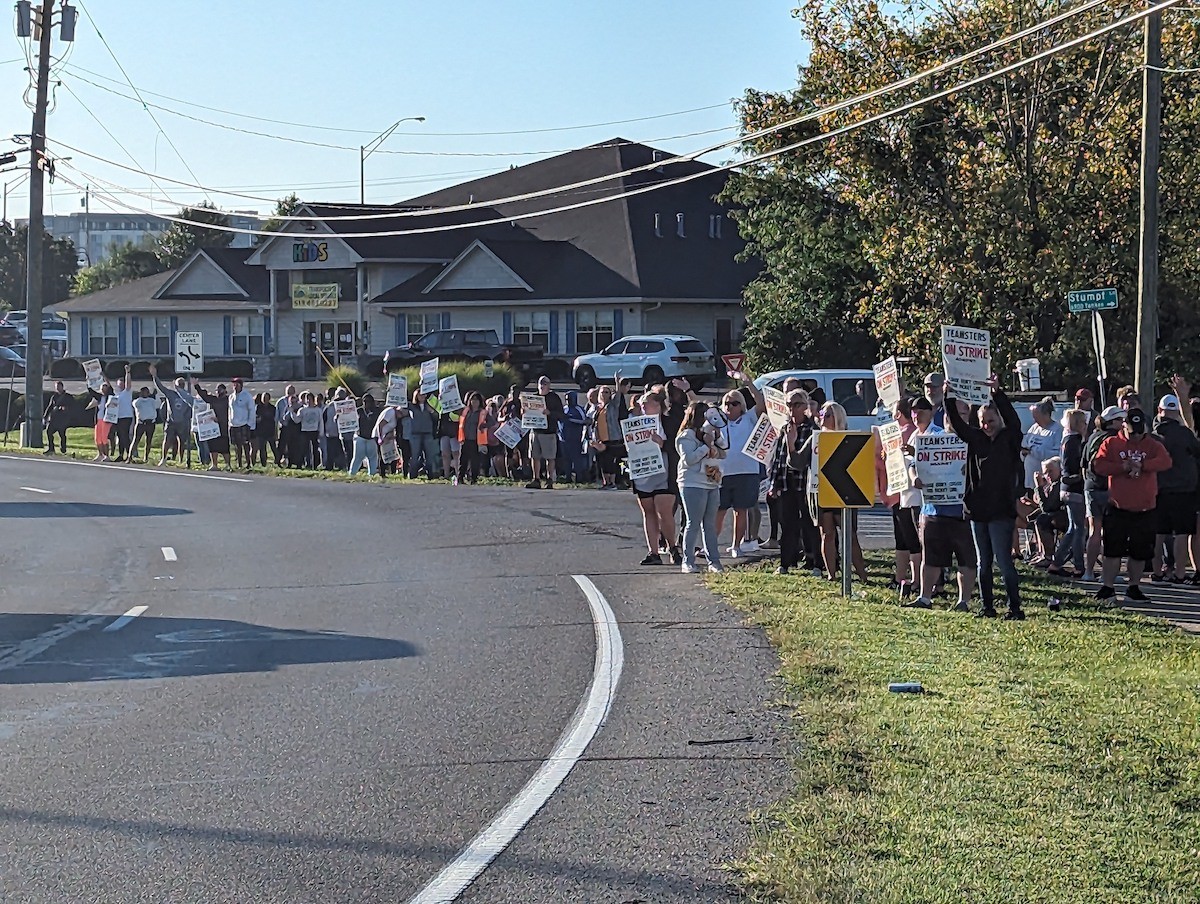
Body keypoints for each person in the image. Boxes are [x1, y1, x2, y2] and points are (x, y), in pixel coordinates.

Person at [945, 375, 1025, 619]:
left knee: (1004, 561)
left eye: (990, 420)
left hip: (1001, 511)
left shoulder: (1009, 438)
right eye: (982, 421)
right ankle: (987, 606)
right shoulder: (976, 438)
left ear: (998, 419)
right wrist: (949, 397)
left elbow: (1013, 420)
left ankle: (1014, 608)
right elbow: (958, 425)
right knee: (983, 563)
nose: (987, 425)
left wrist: (998, 394)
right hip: (978, 510)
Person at [1092, 408, 1173, 602]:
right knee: (1112, 549)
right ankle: (1108, 587)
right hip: (1118, 506)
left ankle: (1134, 587)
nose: (1136, 435)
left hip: (1145, 508)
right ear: (1124, 426)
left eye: (1139, 431)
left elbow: (1166, 462)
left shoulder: (1153, 445)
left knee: (1140, 552)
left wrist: (1143, 466)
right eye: (1131, 431)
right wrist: (1123, 467)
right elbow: (1099, 466)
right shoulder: (1111, 443)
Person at [907, 396, 978, 611]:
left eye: (963, 414)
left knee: (965, 559)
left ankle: (963, 601)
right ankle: (925, 598)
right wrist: (914, 477)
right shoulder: (932, 437)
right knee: (931, 557)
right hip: (933, 509)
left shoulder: (973, 441)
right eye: (952, 414)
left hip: (962, 511)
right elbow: (913, 464)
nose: (956, 418)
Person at [801, 402, 868, 581]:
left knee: (850, 535)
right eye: (822, 413)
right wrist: (791, 443)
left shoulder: (848, 437)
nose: (823, 417)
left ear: (838, 417)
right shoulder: (816, 438)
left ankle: (862, 575)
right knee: (827, 534)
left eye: (828, 414)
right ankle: (832, 574)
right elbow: (797, 461)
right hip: (821, 490)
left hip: (844, 489)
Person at [714, 370, 766, 558]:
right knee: (719, 510)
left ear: (742, 406)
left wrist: (748, 383)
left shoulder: (749, 418)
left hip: (746, 471)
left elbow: (760, 403)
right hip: (722, 473)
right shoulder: (718, 421)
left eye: (735, 403)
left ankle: (737, 545)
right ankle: (711, 545)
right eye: (727, 403)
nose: (730, 407)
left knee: (741, 510)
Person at [1150, 393, 1200, 583]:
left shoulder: (1153, 436)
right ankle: (1180, 573)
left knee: (1159, 533)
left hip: (1158, 489)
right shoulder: (1184, 433)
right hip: (1184, 489)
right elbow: (1197, 451)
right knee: (1181, 533)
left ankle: (1157, 572)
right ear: (1176, 411)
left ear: (1159, 411)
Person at [767, 389, 814, 574]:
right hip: (787, 483)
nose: (792, 409)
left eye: (796, 404)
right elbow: (778, 457)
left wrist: (793, 442)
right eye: (789, 405)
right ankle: (785, 562)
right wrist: (774, 483)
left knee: (809, 524)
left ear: (805, 406)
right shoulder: (784, 429)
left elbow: (806, 460)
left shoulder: (812, 428)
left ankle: (814, 562)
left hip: (806, 483)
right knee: (787, 525)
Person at [631, 389, 680, 565]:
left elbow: (677, 446)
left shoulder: (669, 422)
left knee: (664, 510)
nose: (642, 405)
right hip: (643, 472)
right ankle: (653, 552)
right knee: (648, 511)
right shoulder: (634, 424)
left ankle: (673, 547)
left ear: (658, 405)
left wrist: (663, 443)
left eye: (647, 402)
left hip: (665, 471)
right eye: (641, 403)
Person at [677, 400, 725, 574]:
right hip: (692, 483)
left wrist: (716, 438)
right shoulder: (686, 436)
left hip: (712, 481)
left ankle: (714, 561)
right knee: (693, 523)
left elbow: (724, 452)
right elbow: (689, 459)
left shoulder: (710, 433)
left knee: (709, 524)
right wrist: (706, 446)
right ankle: (688, 561)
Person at [1081, 405, 1125, 581]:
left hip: (1090, 487)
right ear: (1112, 422)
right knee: (1112, 532)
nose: (1123, 424)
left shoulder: (1092, 437)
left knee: (1094, 531)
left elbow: (1083, 464)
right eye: (1120, 420)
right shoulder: (1115, 440)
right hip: (1109, 488)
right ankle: (1110, 574)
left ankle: (1089, 572)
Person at [1048, 408, 1088, 577]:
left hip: (1066, 488)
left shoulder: (1066, 439)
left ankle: (1058, 563)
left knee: (1074, 527)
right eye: (1084, 422)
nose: (1086, 426)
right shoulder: (1076, 441)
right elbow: (1075, 466)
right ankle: (1076, 565)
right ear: (1078, 424)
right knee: (1078, 529)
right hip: (1074, 488)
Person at [150, 364, 196, 466]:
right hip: (171, 422)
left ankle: (181, 459)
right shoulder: (170, 393)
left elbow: (191, 408)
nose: (181, 385)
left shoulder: (187, 395)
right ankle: (163, 459)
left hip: (183, 423)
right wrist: (155, 376)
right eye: (179, 384)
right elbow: (160, 387)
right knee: (167, 440)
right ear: (175, 385)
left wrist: (188, 418)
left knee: (182, 442)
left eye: (182, 384)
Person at [526, 374, 564, 489]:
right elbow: (526, 414)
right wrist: (524, 411)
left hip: (549, 432)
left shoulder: (554, 398)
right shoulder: (532, 398)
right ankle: (536, 479)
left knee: (550, 457)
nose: (542, 385)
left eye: (545, 383)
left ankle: (550, 479)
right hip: (535, 431)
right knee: (534, 456)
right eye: (541, 383)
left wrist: (550, 413)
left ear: (549, 385)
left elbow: (561, 415)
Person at [458, 391, 493, 484]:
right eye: (473, 400)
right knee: (463, 460)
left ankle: (473, 479)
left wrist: (485, 425)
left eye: (477, 400)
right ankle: (460, 478)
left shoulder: (483, 412)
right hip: (465, 439)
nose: (474, 402)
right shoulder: (465, 411)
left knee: (475, 461)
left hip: (476, 440)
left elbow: (493, 422)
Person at [196, 382, 233, 471]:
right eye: (217, 390)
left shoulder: (228, 400)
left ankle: (228, 465)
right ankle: (214, 465)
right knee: (213, 447)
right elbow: (204, 396)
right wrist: (196, 386)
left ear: (225, 390)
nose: (218, 392)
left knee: (225, 448)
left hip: (224, 427)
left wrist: (220, 420)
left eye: (220, 390)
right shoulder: (214, 399)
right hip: (214, 427)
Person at [406, 389, 439, 478]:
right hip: (415, 434)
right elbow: (400, 406)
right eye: (420, 395)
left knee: (429, 456)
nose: (423, 396)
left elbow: (437, 416)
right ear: (416, 396)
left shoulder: (429, 406)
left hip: (427, 433)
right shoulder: (412, 406)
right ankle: (413, 474)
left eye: (424, 395)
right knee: (415, 455)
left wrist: (431, 410)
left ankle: (430, 475)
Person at [559, 390, 590, 484]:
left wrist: (570, 419)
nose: (568, 401)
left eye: (570, 399)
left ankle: (579, 478)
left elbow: (585, 421)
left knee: (577, 459)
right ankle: (568, 478)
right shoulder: (564, 409)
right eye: (567, 399)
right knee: (566, 459)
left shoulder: (579, 409)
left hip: (575, 438)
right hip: (564, 438)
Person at [349, 393, 381, 477]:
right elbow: (348, 418)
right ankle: (352, 474)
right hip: (360, 437)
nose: (367, 403)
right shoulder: (358, 411)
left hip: (371, 438)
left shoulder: (377, 411)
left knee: (373, 458)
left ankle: (372, 474)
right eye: (365, 401)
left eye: (369, 401)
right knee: (357, 457)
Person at [86, 381, 118, 462]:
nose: (103, 390)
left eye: (105, 388)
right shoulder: (100, 397)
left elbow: (111, 390)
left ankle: (106, 455)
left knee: (104, 438)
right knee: (98, 438)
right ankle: (100, 454)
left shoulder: (110, 397)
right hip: (98, 419)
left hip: (106, 420)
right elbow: (91, 392)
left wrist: (106, 379)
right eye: (102, 388)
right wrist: (88, 382)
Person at [228, 376, 255, 470]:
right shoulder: (231, 397)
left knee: (245, 445)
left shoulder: (247, 396)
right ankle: (239, 463)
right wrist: (229, 422)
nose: (235, 386)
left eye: (237, 384)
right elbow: (230, 410)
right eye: (234, 385)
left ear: (241, 385)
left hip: (244, 424)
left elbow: (251, 410)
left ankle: (248, 463)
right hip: (233, 424)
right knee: (236, 446)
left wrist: (250, 424)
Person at [131, 386, 160, 463]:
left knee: (148, 441)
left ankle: (146, 457)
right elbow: (136, 404)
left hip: (150, 423)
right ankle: (129, 457)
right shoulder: (137, 401)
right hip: (141, 423)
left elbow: (158, 405)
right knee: (136, 440)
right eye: (143, 392)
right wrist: (141, 397)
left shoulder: (152, 401)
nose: (145, 393)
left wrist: (155, 395)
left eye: (147, 392)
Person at [111, 366, 135, 460]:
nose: (120, 385)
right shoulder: (117, 395)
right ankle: (121, 455)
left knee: (124, 435)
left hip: (126, 416)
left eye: (122, 384)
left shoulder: (127, 392)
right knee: (120, 435)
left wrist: (127, 373)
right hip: (118, 417)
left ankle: (129, 455)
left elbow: (128, 383)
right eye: (119, 384)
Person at [42, 380, 72, 454]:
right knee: (49, 432)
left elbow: (72, 406)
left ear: (62, 387)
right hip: (53, 419)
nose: (58, 388)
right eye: (56, 387)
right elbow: (50, 407)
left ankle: (63, 449)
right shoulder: (54, 397)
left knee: (62, 434)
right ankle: (51, 448)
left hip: (62, 419)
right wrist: (45, 416)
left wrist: (65, 408)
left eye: (59, 387)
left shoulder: (67, 397)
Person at [276, 384, 300, 467]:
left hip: (294, 426)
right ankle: (278, 460)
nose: (290, 393)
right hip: (284, 426)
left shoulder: (297, 401)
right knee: (282, 445)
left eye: (292, 391)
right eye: (288, 391)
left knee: (292, 445)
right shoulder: (281, 401)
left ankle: (291, 462)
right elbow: (277, 415)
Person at [253, 391, 278, 467]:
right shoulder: (258, 407)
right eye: (263, 398)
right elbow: (255, 417)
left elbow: (275, 420)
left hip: (270, 430)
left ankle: (277, 461)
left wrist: (275, 432)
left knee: (274, 447)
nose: (265, 399)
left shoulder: (273, 408)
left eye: (266, 398)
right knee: (262, 449)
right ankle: (263, 463)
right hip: (261, 431)